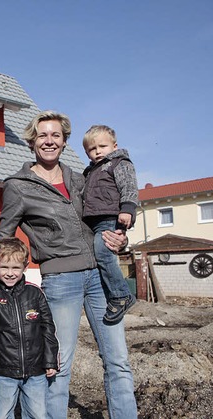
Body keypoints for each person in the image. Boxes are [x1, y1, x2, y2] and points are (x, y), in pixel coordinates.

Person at [0, 110, 137, 419]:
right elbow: (3, 234)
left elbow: (106, 217)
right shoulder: (18, 186)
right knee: (58, 366)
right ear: (32, 141)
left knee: (118, 362)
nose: (49, 141)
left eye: (55, 135)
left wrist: (121, 239)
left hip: (100, 278)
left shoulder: (82, 178)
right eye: (42, 135)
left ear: (64, 141)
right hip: (62, 280)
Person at [0, 237, 59, 419]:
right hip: (4, 372)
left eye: (16, 268)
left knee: (38, 414)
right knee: (3, 414)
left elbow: (48, 328)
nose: (10, 273)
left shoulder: (36, 293)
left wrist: (51, 360)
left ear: (25, 267)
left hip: (36, 371)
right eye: (4, 267)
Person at [82, 124, 139, 323]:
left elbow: (129, 187)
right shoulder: (90, 171)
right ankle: (112, 293)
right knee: (101, 256)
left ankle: (121, 295)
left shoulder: (118, 163)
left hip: (111, 216)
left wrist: (128, 209)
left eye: (102, 146)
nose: (97, 151)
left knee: (104, 254)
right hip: (96, 219)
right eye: (92, 149)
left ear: (114, 146)